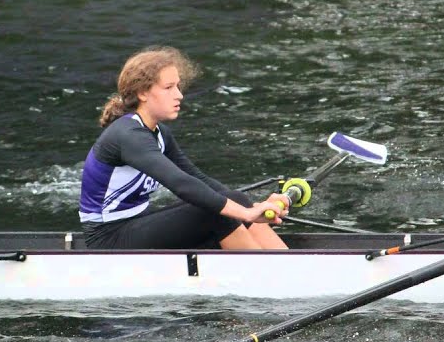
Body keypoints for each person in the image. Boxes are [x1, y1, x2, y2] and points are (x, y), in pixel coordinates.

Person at [79, 46, 292, 250]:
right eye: (169, 87)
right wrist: (246, 215)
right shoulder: (127, 135)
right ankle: (267, 276)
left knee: (235, 198)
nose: (179, 95)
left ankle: (287, 263)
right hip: (108, 237)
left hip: (137, 220)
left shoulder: (159, 133)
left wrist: (253, 208)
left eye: (178, 86)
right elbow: (181, 184)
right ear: (143, 93)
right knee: (216, 212)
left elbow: (199, 179)